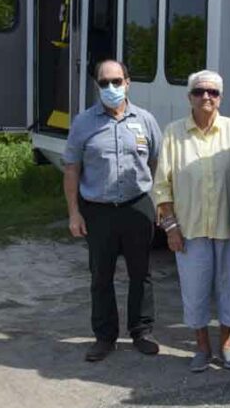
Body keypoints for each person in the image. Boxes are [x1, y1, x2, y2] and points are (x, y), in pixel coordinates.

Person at [63, 59, 162, 362]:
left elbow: (157, 162)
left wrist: (157, 202)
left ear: (127, 83)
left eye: (116, 81)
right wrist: (74, 213)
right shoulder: (83, 123)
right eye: (104, 83)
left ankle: (141, 331)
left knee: (141, 273)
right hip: (99, 211)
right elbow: (71, 169)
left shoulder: (145, 120)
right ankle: (105, 337)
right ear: (97, 85)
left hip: (137, 207)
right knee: (101, 276)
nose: (111, 88)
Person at [154, 70, 230, 373]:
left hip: (229, 229)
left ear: (221, 97)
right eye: (199, 91)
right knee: (194, 290)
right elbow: (162, 185)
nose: (206, 97)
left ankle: (228, 345)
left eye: (213, 92)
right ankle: (202, 347)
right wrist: (170, 227)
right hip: (189, 230)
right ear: (189, 96)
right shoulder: (173, 133)